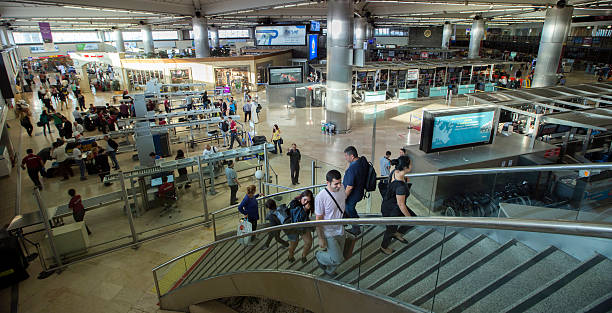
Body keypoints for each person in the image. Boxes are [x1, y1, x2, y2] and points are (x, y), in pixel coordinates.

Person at [380, 156, 415, 255]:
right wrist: (410, 219)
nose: (412, 165)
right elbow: (401, 205)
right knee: (390, 229)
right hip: (392, 210)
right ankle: (383, 247)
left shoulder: (395, 172)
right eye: (410, 164)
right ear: (405, 167)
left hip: (390, 204)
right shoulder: (401, 187)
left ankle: (397, 233)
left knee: (394, 227)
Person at [315, 170, 346, 277]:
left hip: (340, 228)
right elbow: (318, 219)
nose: (339, 186)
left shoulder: (342, 188)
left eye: (340, 182)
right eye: (335, 184)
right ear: (328, 183)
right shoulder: (321, 197)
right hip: (328, 232)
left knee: (340, 256)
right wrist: (321, 237)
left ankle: (329, 271)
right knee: (337, 259)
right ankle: (319, 255)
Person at [343, 146, 368, 236]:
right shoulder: (362, 161)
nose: (345, 158)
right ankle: (345, 221)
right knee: (347, 208)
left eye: (346, 156)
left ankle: (356, 228)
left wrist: (344, 197)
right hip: (360, 192)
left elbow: (349, 187)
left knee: (349, 208)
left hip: (353, 194)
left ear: (352, 156)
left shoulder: (353, 169)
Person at [287, 190, 314, 263]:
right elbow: (297, 218)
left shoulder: (309, 204)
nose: (306, 202)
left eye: (308, 200)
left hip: (303, 226)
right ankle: (290, 256)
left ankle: (303, 255)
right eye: (304, 199)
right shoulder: (294, 203)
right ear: (301, 197)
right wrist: (305, 209)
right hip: (293, 225)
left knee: (309, 242)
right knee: (294, 243)